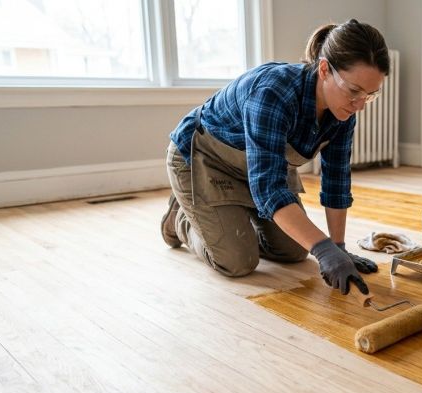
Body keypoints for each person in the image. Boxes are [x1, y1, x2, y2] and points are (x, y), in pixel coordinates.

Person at [161, 19, 389, 296]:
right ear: (325, 69)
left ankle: (229, 217)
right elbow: (269, 189)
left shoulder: (344, 113)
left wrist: (337, 248)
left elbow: (336, 182)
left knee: (295, 250)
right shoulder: (274, 92)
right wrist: (322, 247)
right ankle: (182, 219)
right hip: (203, 159)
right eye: (354, 91)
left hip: (258, 169)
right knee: (237, 261)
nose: (360, 105)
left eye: (370, 95)